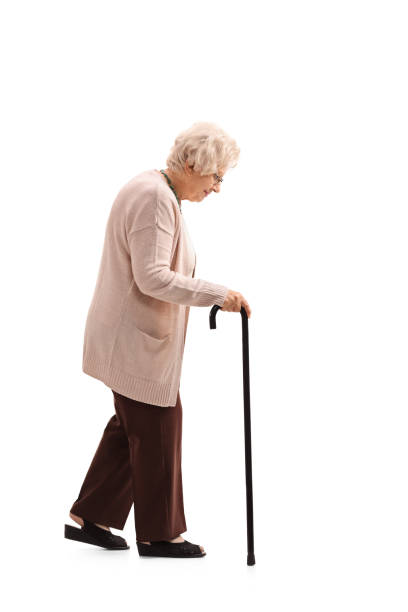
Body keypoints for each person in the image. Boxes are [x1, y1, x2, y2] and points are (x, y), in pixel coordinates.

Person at [64, 121, 251, 559]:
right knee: (159, 429)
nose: (218, 187)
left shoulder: (157, 190)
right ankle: (160, 535)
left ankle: (92, 514)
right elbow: (152, 278)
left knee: (133, 428)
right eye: (216, 176)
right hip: (134, 341)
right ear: (192, 164)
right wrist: (217, 295)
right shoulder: (154, 198)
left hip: (130, 336)